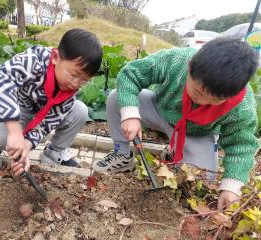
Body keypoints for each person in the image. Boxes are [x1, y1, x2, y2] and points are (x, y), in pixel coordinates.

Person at [92, 38, 259, 210]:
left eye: (214, 100)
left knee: (201, 182)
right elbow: (130, 74)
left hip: (196, 134)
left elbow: (241, 145)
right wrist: (130, 114)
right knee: (115, 98)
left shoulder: (242, 105)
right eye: (197, 92)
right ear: (189, 67)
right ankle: (122, 154)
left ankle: (173, 154)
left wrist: (231, 187)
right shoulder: (176, 60)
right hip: (159, 111)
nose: (202, 102)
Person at [0, 28, 102, 176]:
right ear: (55, 57)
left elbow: (44, 125)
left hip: (38, 115)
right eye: (73, 75)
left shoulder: (69, 92)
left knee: (80, 111)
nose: (76, 84)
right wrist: (14, 131)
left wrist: (24, 149)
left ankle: (54, 153)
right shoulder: (34, 59)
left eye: (83, 80)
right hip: (14, 104)